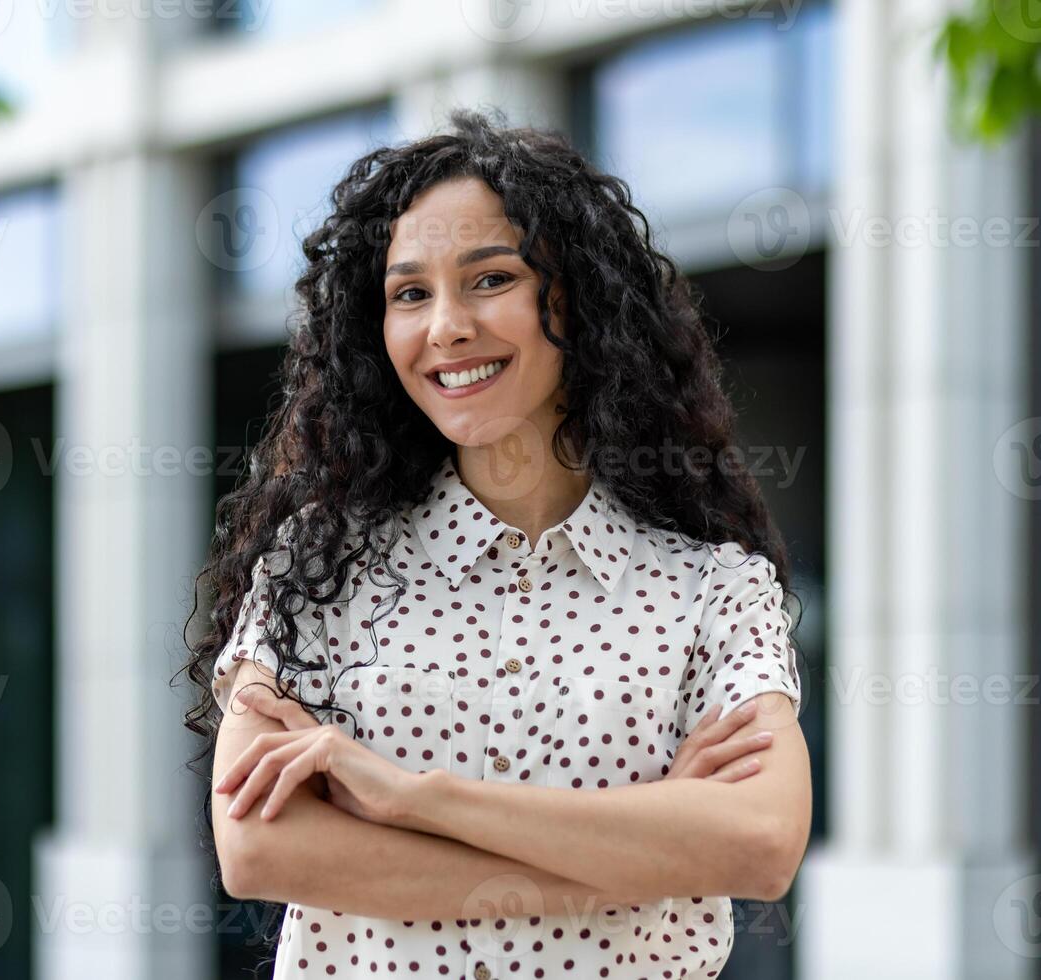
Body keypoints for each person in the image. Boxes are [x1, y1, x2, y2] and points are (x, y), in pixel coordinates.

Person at [182, 106, 811, 980]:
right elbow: (258, 849)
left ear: (578, 301)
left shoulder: (711, 591)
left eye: (490, 279)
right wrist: (646, 847)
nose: (445, 326)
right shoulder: (315, 567)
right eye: (410, 293)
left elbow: (761, 842)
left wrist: (411, 799)